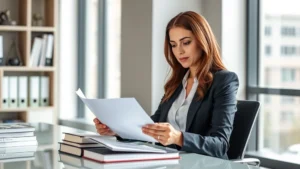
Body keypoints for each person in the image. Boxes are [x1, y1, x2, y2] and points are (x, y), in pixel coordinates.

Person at [93, 11, 239, 159]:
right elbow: (152, 125)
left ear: (203, 41)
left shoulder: (224, 81)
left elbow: (220, 145)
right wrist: (118, 130)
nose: (179, 51)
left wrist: (179, 138)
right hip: (170, 161)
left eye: (186, 42)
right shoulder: (176, 83)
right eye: (173, 45)